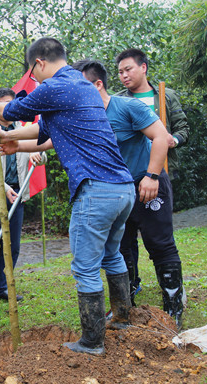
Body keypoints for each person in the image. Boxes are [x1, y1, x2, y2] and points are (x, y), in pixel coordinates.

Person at [0, 37, 135, 356]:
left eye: (32, 72)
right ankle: (121, 317)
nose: (33, 79)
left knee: (85, 267)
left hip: (97, 189)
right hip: (123, 188)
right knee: (111, 254)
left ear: (39, 62)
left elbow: (8, 111)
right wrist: (12, 141)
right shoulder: (79, 88)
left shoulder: (54, 86)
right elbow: (44, 132)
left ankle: (92, 341)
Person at [73, 59, 185, 329]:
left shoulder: (128, 107)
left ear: (97, 84)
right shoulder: (84, 114)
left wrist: (152, 175)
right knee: (122, 249)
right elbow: (52, 137)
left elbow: (161, 137)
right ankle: (126, 307)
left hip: (146, 182)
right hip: (115, 190)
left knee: (159, 243)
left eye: (80, 86)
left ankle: (173, 308)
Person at [115, 48, 190, 305]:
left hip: (158, 174)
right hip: (127, 178)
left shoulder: (164, 96)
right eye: (120, 72)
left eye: (129, 69)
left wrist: (174, 140)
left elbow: (183, 128)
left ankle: (173, 299)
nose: (124, 76)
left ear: (143, 67)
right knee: (124, 238)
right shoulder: (118, 102)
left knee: (158, 237)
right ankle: (130, 290)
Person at [0, 87, 46, 313]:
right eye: (1, 104)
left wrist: (38, 155)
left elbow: (42, 154)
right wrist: (3, 187)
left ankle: (2, 288)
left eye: (10, 105)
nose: (6, 110)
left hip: (17, 196)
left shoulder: (23, 130)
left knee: (12, 246)